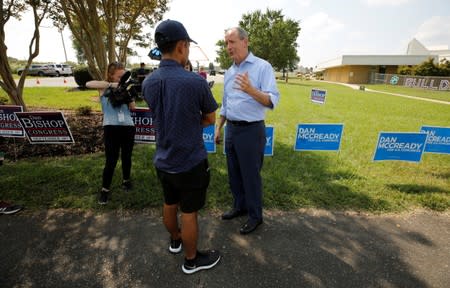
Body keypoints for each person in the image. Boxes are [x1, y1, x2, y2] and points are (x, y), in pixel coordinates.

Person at [142, 19, 221, 274]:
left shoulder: (148, 82)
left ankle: (175, 239)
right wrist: (190, 120)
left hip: (163, 161)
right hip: (190, 161)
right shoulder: (194, 82)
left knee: (169, 203)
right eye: (187, 46)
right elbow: (210, 119)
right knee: (189, 213)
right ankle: (191, 260)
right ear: (182, 46)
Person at [214, 27, 280, 235]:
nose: (228, 47)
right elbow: (226, 103)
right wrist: (219, 127)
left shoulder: (262, 67)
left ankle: (255, 216)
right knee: (234, 174)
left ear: (245, 41)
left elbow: (272, 100)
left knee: (250, 175)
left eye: (232, 42)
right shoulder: (230, 72)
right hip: (231, 130)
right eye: (226, 43)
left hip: (251, 130)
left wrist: (251, 90)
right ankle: (239, 206)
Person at [86, 62, 136, 205]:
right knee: (111, 160)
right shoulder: (103, 87)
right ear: (111, 75)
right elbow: (88, 83)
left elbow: (132, 107)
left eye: (123, 76)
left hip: (128, 126)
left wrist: (129, 95)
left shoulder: (125, 87)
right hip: (111, 127)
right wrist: (111, 85)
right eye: (119, 76)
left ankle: (126, 181)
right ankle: (105, 190)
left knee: (127, 157)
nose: (122, 79)